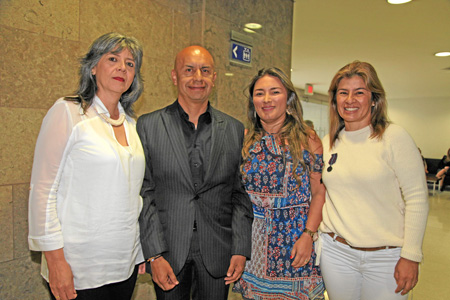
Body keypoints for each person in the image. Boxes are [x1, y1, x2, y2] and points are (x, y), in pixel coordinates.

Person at [28, 32, 145, 300]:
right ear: (93, 67)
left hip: (123, 264)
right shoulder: (69, 112)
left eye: (130, 63)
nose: (121, 68)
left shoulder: (132, 125)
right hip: (78, 266)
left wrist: (137, 252)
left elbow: (131, 197)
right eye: (113, 58)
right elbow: (43, 190)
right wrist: (56, 262)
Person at [137, 45, 253, 300]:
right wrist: (154, 253)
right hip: (168, 252)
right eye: (188, 70)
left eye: (205, 70)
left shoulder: (234, 129)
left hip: (218, 251)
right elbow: (144, 194)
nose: (197, 77)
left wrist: (241, 248)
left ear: (214, 78)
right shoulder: (148, 126)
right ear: (174, 76)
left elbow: (240, 195)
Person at [319, 61, 429, 300]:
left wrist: (411, 255)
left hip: (386, 258)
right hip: (337, 255)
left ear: (374, 99)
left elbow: (417, 198)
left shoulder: (393, 137)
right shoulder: (329, 142)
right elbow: (323, 195)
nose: (350, 100)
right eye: (343, 93)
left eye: (359, 92)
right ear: (335, 99)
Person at [233, 67, 326, 299]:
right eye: (259, 93)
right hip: (253, 249)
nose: (266, 99)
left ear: (289, 98)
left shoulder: (308, 139)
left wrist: (308, 235)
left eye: (274, 92)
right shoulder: (244, 140)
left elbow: (319, 193)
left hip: (296, 246)